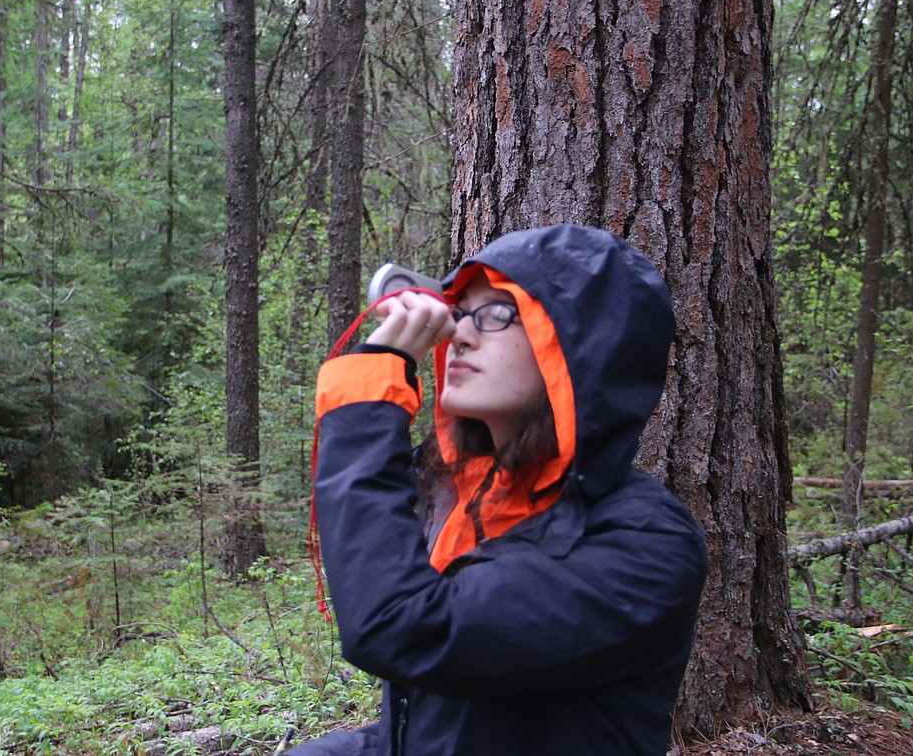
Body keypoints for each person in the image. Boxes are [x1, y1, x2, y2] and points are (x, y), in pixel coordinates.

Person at [296, 223, 708, 756]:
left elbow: (405, 629)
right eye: (460, 313)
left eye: (496, 314)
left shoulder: (644, 544)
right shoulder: (454, 496)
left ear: (579, 346)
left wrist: (366, 405)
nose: (461, 334)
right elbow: (432, 724)